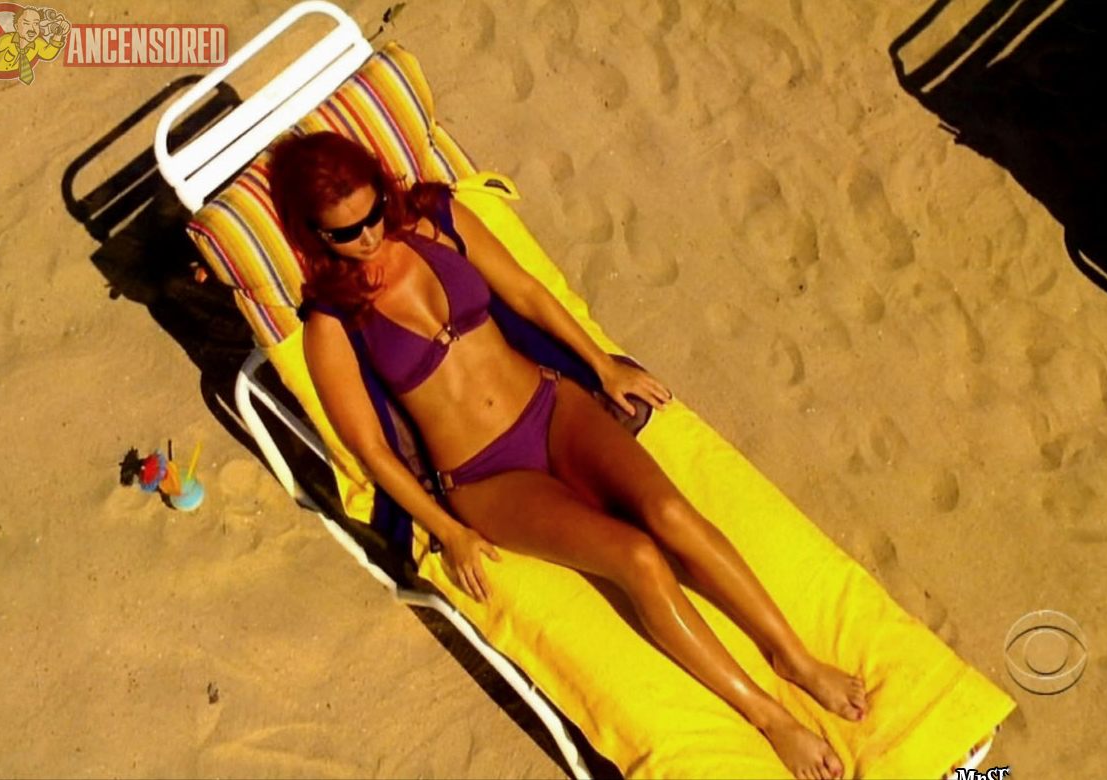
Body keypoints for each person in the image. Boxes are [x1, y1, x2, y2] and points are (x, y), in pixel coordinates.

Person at [268, 131, 865, 780]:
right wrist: (448, 531)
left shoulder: (437, 221)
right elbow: (373, 451)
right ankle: (768, 716)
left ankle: (793, 658)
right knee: (637, 558)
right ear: (313, 234)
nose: (366, 236)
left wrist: (602, 366)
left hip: (552, 406)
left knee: (670, 514)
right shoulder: (333, 324)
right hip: (485, 477)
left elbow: (526, 293)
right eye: (344, 232)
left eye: (373, 212)